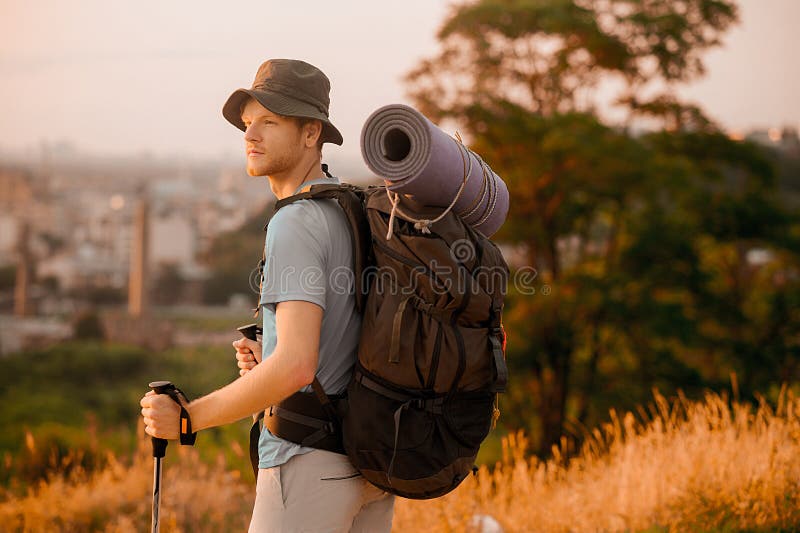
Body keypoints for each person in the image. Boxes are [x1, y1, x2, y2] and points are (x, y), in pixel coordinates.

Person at [139, 58, 395, 532]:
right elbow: (341, 338)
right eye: (247, 122)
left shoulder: (295, 222)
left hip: (307, 464)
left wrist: (189, 418)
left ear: (310, 133)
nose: (250, 135)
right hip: (367, 462)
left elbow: (297, 365)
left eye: (270, 122)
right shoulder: (351, 209)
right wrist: (270, 353)